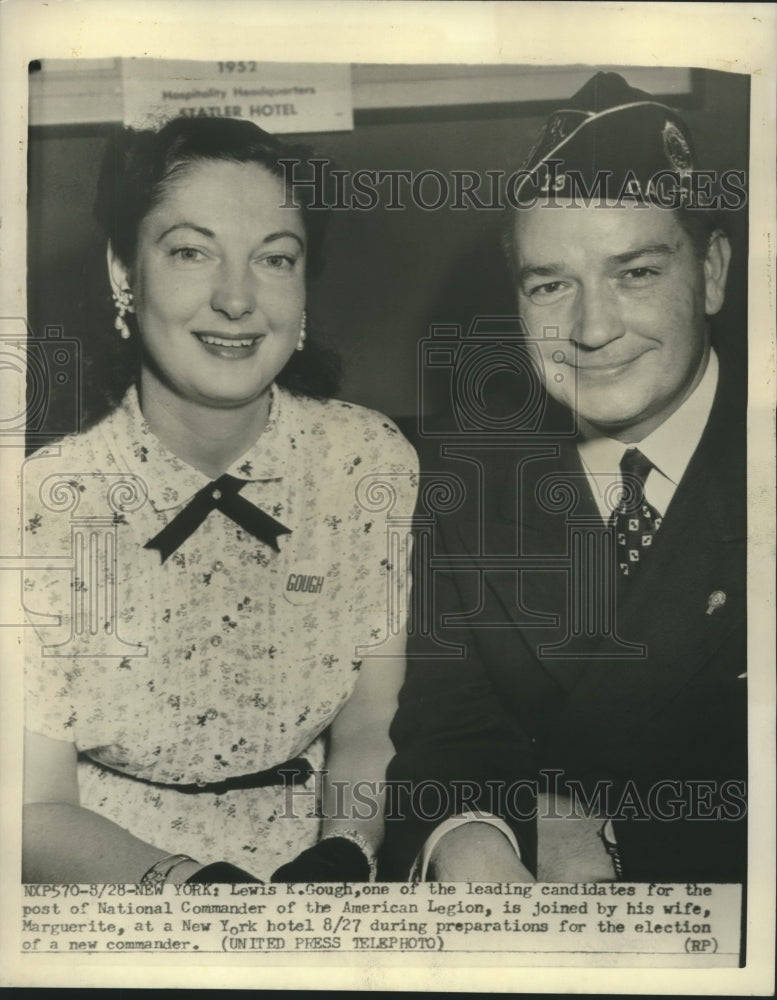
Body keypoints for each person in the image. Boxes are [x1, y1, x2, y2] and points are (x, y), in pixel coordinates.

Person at [22, 116, 417, 885]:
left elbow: (371, 725)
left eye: (274, 259)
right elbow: (33, 806)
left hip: (322, 859)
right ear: (123, 272)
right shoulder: (40, 502)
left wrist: (344, 854)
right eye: (190, 251)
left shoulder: (366, 463)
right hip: (109, 877)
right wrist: (191, 889)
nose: (237, 299)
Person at [384, 72, 747, 884]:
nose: (590, 328)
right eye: (550, 285)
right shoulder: (467, 480)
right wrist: (472, 838)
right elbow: (450, 727)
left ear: (713, 271)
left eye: (635, 273)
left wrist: (608, 840)